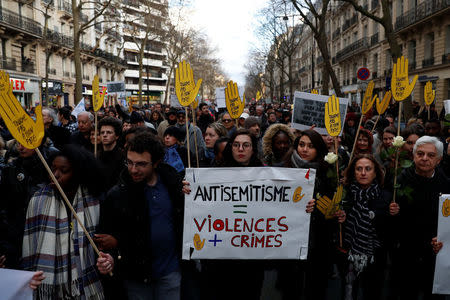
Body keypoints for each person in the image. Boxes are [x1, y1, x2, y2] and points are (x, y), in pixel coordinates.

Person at [98, 132, 185, 300]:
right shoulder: (117, 195)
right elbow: (106, 237)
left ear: (157, 162)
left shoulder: (173, 185)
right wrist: (110, 257)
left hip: (170, 273)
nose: (133, 169)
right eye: (129, 162)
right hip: (135, 277)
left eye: (141, 164)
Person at [21, 145, 113, 299]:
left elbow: (106, 244)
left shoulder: (96, 201)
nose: (54, 175)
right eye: (53, 168)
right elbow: (28, 245)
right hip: (48, 287)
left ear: (79, 173)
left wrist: (109, 259)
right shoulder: (37, 201)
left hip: (86, 285)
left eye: (63, 171)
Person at [279, 129, 345, 300]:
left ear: (319, 150)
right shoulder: (282, 169)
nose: (304, 149)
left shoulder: (328, 172)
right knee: (291, 286)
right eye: (301, 144)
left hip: (318, 241)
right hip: (288, 240)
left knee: (315, 286)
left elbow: (332, 205)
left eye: (311, 146)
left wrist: (332, 211)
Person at [391, 136, 449, 300]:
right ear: (414, 155)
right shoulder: (398, 181)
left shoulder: (446, 186)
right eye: (420, 154)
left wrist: (443, 237)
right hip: (405, 253)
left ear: (438, 160)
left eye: (431, 155)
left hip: (435, 254)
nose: (424, 159)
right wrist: (392, 212)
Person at [342, 154, 389, 300]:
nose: (363, 173)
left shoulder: (386, 197)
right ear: (353, 172)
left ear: (375, 173)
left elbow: (388, 229)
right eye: (359, 169)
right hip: (348, 254)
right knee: (348, 291)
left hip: (374, 255)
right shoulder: (345, 195)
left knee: (373, 291)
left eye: (368, 169)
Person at [98, 116, 125, 189]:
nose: (105, 135)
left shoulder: (123, 157)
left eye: (109, 132)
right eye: (102, 132)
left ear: (116, 136)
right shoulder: (96, 156)